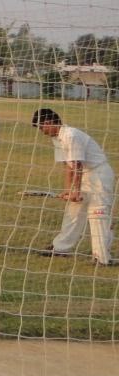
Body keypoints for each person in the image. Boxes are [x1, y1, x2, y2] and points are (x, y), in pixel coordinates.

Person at [31, 108, 113, 266]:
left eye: (41, 127)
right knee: (73, 211)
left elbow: (77, 164)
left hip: (98, 175)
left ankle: (101, 257)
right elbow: (67, 166)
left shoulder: (71, 135)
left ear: (48, 122)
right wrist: (68, 190)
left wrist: (75, 191)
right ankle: (61, 248)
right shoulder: (57, 138)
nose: (41, 131)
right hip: (85, 175)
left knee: (97, 213)